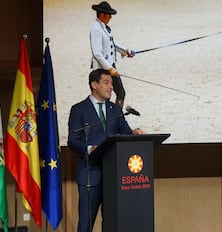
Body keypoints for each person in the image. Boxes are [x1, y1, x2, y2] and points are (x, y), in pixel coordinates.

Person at [68, 69, 145, 232]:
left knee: (111, 223)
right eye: (106, 83)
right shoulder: (79, 109)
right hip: (90, 173)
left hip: (113, 174)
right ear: (94, 85)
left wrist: (134, 133)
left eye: (111, 83)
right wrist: (90, 149)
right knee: (86, 224)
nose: (111, 87)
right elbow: (72, 141)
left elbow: (125, 131)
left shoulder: (115, 109)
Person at [90, 1, 135, 108]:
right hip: (103, 69)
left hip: (110, 66)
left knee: (120, 93)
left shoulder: (104, 27)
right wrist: (109, 68)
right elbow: (97, 53)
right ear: (102, 15)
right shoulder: (96, 30)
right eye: (108, 14)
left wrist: (125, 50)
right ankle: (106, 119)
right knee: (105, 96)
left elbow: (112, 43)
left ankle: (116, 117)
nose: (110, 17)